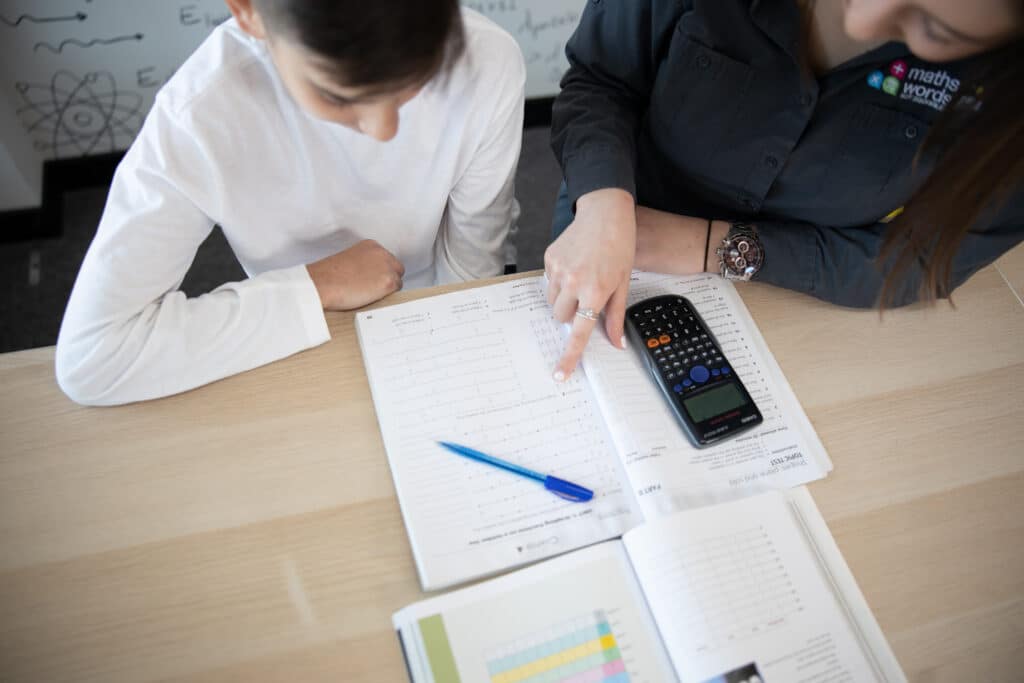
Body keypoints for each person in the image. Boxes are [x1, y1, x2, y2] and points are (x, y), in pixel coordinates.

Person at [55, 0, 526, 405]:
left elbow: (471, 275)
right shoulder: (200, 115)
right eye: (338, 95)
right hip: (304, 330)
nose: (385, 131)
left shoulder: (487, 60)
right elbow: (93, 355)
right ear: (248, 12)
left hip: (433, 316)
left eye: (416, 83)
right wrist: (313, 286)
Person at [545, 0, 1024, 380]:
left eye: (933, 29)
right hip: (610, 223)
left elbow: (919, 259)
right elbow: (600, 80)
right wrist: (603, 205)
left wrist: (712, 246)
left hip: (796, 302)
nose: (861, 19)